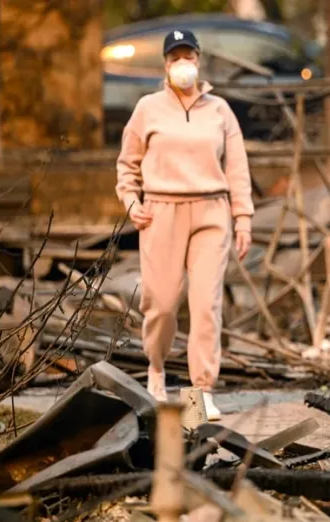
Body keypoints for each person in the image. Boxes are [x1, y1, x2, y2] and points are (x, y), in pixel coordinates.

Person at [115, 29, 254, 420]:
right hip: (162, 211)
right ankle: (156, 371)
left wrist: (242, 219)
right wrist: (131, 201)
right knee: (160, 304)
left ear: (198, 59)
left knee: (206, 304)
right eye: (174, 57)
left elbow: (237, 167)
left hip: (211, 210)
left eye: (187, 55)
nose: (182, 64)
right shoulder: (147, 108)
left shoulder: (220, 111)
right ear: (165, 64)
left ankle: (200, 393)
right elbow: (127, 163)